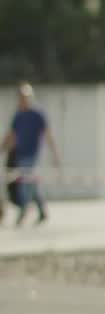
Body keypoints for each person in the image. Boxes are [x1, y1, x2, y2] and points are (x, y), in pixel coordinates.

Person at [1, 82, 60, 225]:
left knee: (24, 184)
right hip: (19, 154)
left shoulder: (37, 115)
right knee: (31, 184)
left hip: (31, 155)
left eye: (25, 97)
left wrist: (55, 154)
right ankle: (42, 211)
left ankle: (23, 212)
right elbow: (12, 135)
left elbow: (47, 134)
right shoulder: (18, 115)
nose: (23, 99)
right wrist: (2, 148)